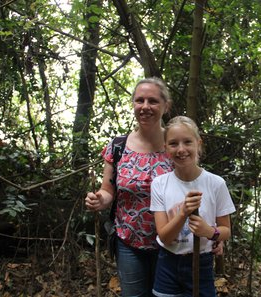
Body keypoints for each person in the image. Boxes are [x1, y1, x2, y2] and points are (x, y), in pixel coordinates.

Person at [85, 77, 174, 297]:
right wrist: (100, 200)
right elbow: (108, 191)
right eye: (139, 100)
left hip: (172, 243)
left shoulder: (176, 144)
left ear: (166, 106)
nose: (145, 107)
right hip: (129, 241)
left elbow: (194, 185)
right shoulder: (118, 146)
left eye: (152, 101)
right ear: (133, 104)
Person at [150, 116, 236, 297]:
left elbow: (226, 230)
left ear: (198, 143)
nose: (181, 149)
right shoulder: (159, 184)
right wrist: (183, 214)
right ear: (165, 148)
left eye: (187, 142)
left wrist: (210, 231)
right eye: (173, 143)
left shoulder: (216, 183)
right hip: (168, 263)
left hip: (201, 263)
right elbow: (164, 237)